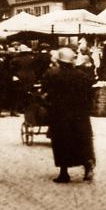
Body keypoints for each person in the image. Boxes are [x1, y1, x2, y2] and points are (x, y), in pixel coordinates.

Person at [42, 47, 95, 183]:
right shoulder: (82, 75)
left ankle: (64, 172)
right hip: (79, 114)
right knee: (82, 139)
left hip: (60, 113)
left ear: (59, 60)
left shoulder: (52, 74)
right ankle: (88, 165)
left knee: (61, 141)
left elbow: (46, 92)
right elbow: (89, 94)